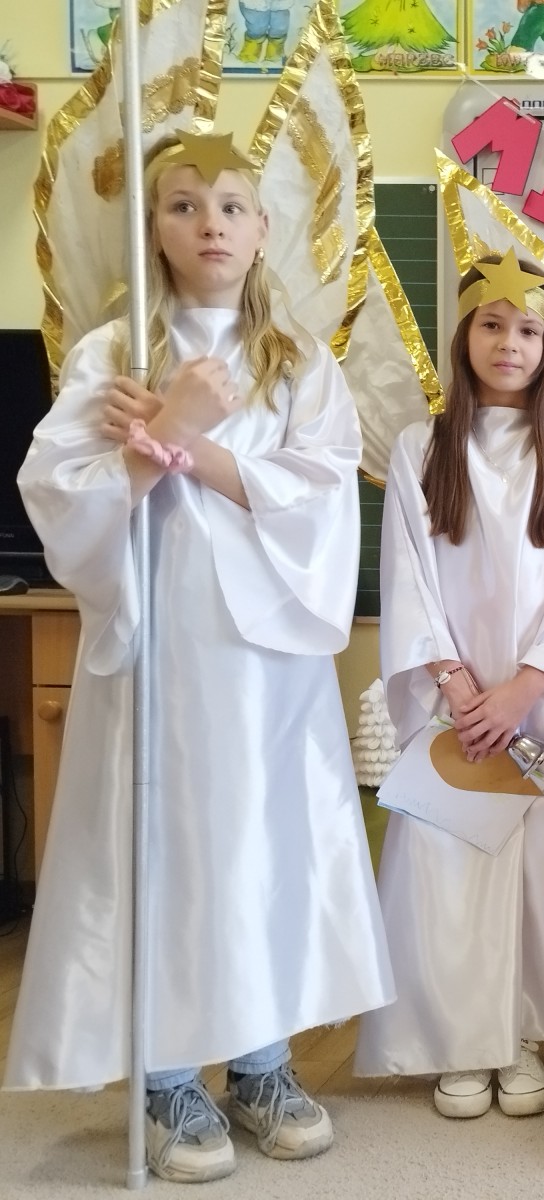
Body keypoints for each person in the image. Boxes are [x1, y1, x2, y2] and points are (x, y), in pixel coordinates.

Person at [7, 133, 393, 1183]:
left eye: (230, 204)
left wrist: (195, 443)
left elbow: (321, 496)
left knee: (261, 848)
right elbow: (60, 499)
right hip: (160, 652)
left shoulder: (298, 364)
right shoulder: (113, 356)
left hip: (265, 660)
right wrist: (155, 432)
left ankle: (261, 1062)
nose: (210, 223)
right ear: (154, 229)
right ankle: (167, 1071)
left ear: (263, 229)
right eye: (183, 205)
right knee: (164, 848)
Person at [353, 253, 544, 1117]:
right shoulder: (422, 448)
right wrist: (454, 683)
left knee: (540, 868)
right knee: (450, 865)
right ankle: (460, 1040)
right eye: (491, 325)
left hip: (542, 700)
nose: (509, 343)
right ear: (464, 335)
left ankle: (524, 1037)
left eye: (527, 330)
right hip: (457, 699)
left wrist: (523, 689)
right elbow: (408, 573)